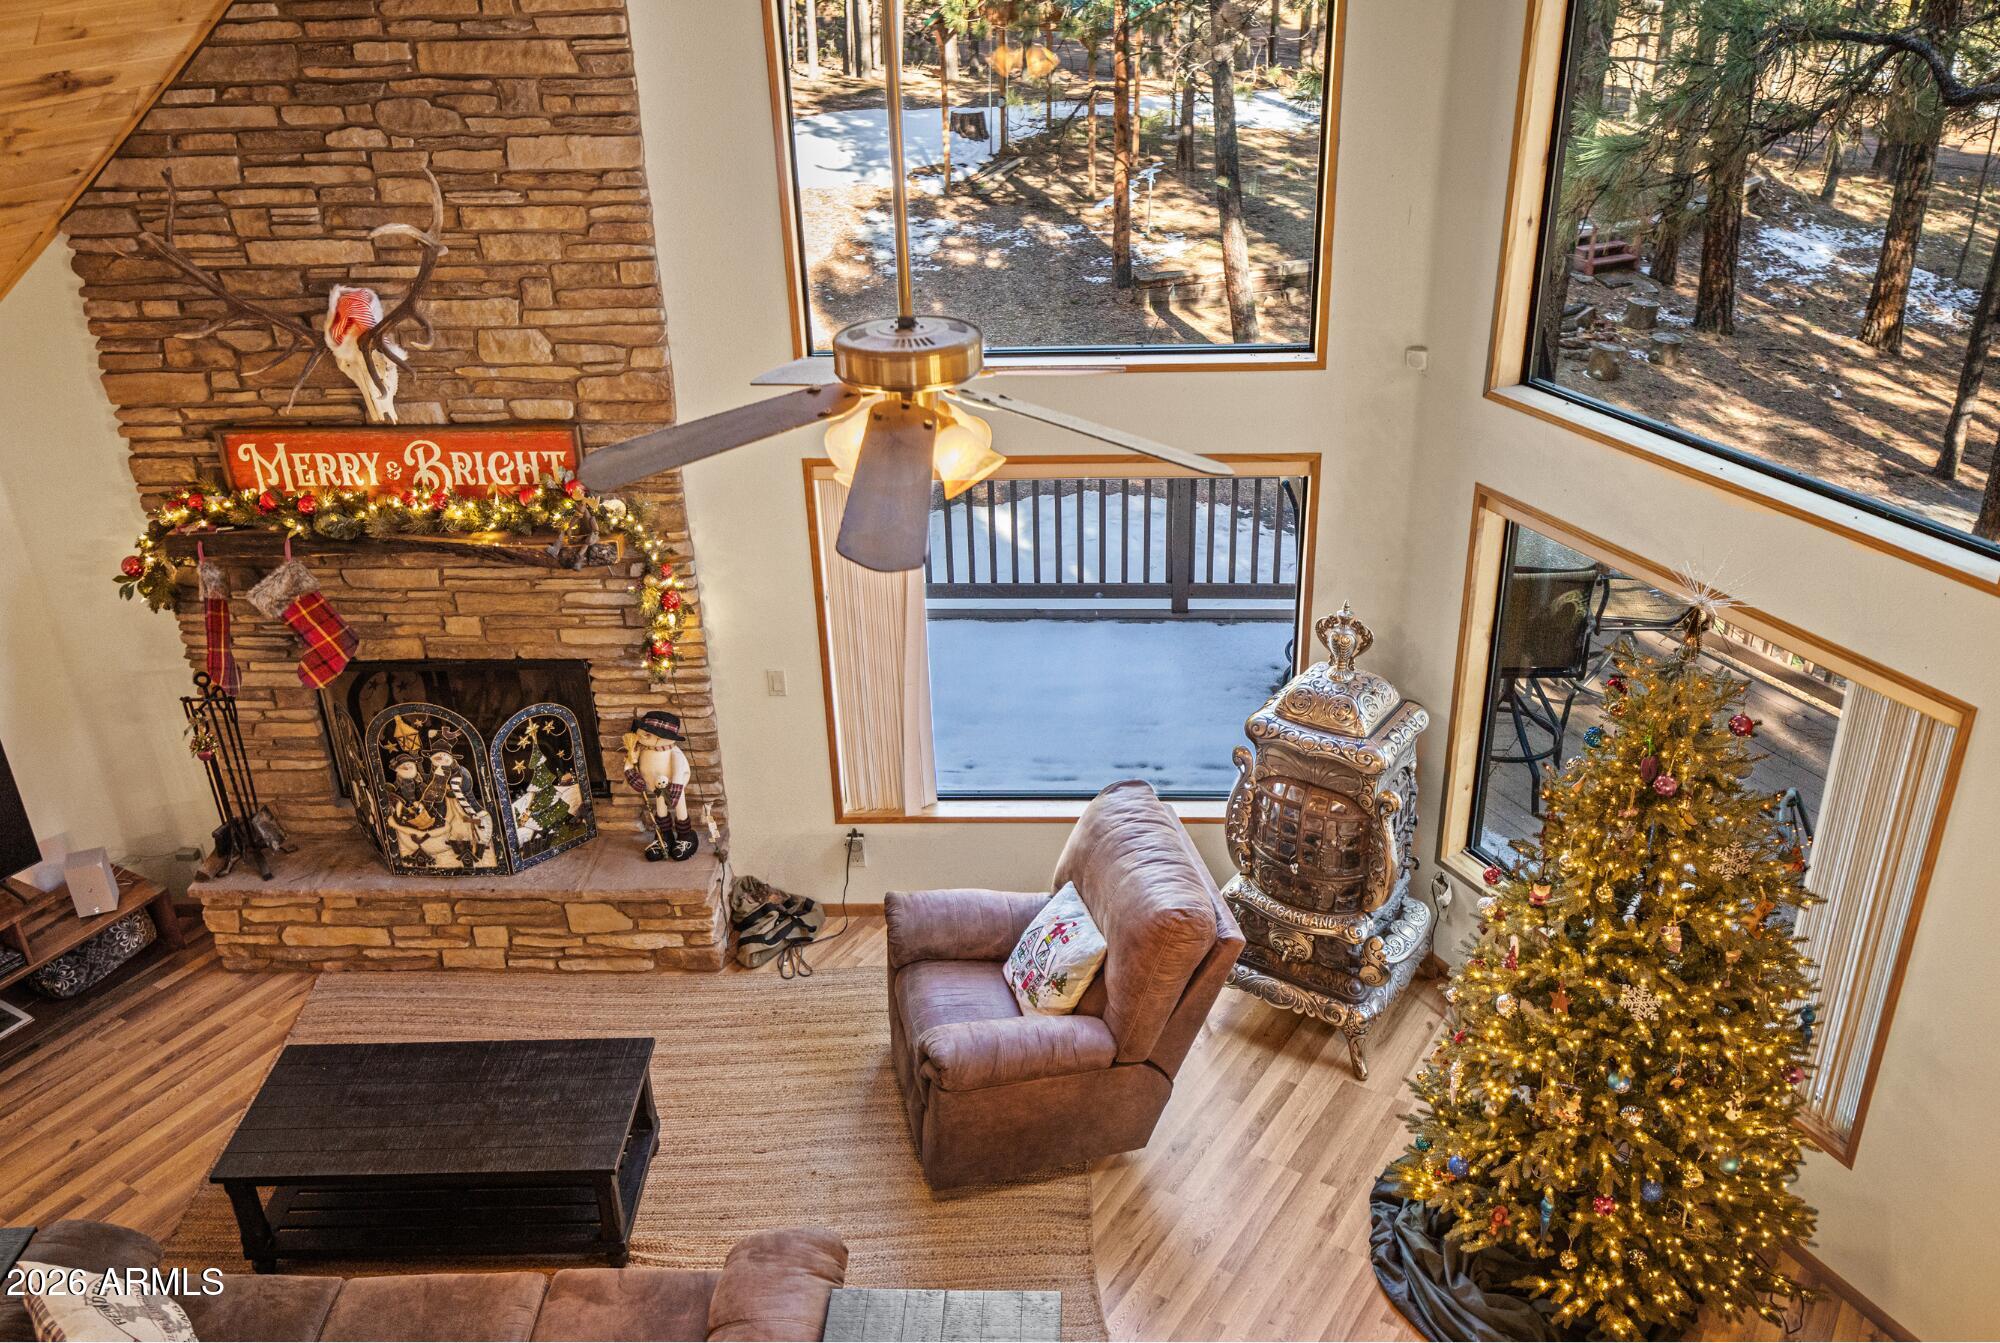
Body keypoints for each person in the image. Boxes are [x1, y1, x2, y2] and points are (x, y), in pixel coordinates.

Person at [623, 709, 697, 861]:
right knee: (660, 810)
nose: (642, 737)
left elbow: (678, 771)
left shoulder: (674, 753)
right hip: (657, 787)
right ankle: (664, 836)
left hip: (674, 786)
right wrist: (632, 773)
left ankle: (685, 836)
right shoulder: (641, 751)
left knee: (680, 808)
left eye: (648, 734)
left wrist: (676, 788)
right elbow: (630, 765)